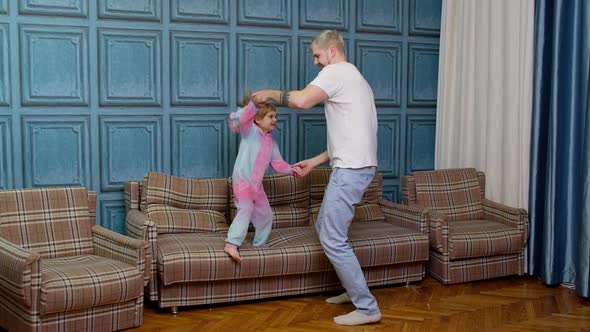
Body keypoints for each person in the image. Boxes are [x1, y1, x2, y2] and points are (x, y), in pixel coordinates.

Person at [251, 30, 380, 326]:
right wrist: (317, 160)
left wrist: (270, 93)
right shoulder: (355, 78)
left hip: (350, 169)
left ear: (332, 51)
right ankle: (354, 289)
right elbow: (351, 134)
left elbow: (302, 101)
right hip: (354, 165)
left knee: (332, 237)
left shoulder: (336, 72)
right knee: (326, 227)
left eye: (317, 56)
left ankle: (367, 307)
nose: (316, 62)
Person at [224, 95, 300, 263]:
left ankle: (260, 245)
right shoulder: (249, 132)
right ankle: (231, 244)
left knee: (266, 215)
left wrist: (292, 169)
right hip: (242, 182)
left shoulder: (272, 143)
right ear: (257, 120)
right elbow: (244, 118)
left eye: (276, 116)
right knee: (245, 210)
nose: (275, 119)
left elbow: (278, 163)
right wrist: (253, 104)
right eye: (271, 116)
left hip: (257, 186)